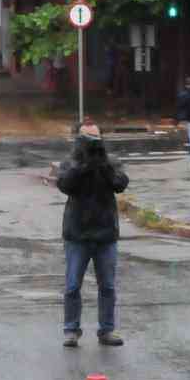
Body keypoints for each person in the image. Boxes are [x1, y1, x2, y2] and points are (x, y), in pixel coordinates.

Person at [57, 122, 128, 347]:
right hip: (77, 234)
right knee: (72, 286)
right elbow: (65, 185)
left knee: (107, 286)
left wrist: (102, 163)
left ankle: (106, 330)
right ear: (79, 140)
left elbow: (120, 184)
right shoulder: (71, 161)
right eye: (88, 138)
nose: (93, 142)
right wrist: (85, 164)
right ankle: (71, 330)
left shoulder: (110, 160)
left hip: (105, 234)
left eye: (96, 137)